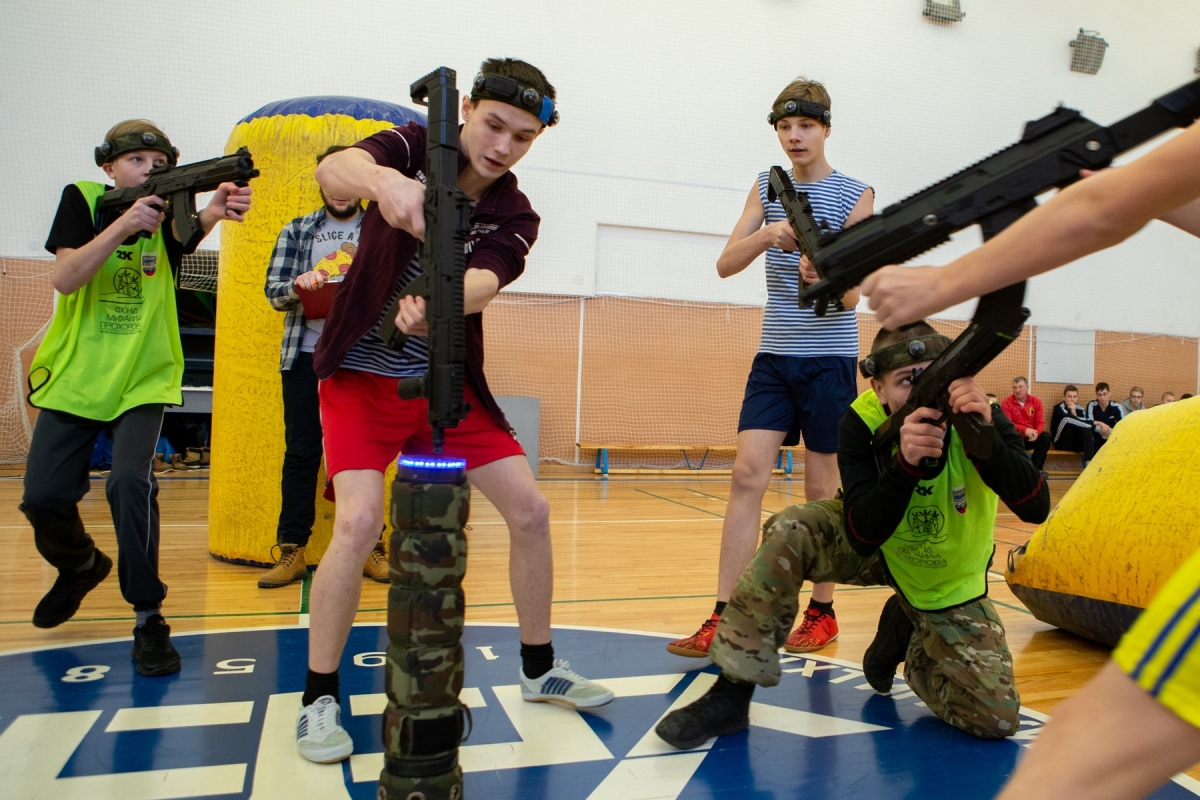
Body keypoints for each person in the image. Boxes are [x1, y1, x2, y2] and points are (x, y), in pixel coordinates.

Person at [856, 113, 1200, 800]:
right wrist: (1125, 183)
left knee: (1077, 743)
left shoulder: (975, 407)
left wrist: (941, 286)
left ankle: (917, 635)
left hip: (959, 583)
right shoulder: (860, 420)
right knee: (1094, 745)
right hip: (888, 556)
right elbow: (1118, 199)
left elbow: (1037, 505)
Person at [293, 58, 611, 764]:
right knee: (357, 523)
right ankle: (318, 697)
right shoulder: (411, 145)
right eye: (494, 125)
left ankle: (539, 669)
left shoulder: (515, 212)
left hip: (447, 381)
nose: (503, 146)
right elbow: (333, 171)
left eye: (522, 137)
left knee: (531, 511)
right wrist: (386, 184)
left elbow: (486, 281)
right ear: (466, 109)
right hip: (361, 381)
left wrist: (440, 297)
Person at [654, 322, 1049, 750]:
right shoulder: (862, 421)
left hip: (948, 579)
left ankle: (907, 636)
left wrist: (985, 439)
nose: (926, 392)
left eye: (935, 376)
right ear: (879, 390)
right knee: (791, 529)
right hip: (876, 549)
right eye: (907, 381)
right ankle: (732, 694)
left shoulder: (982, 412)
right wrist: (905, 466)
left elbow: (1036, 507)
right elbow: (862, 535)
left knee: (995, 719)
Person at [21, 119, 251, 676]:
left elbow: (179, 244)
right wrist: (124, 225)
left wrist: (213, 210)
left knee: (130, 483)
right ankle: (80, 565)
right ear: (110, 166)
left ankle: (149, 617)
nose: (150, 170)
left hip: (143, 375)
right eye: (138, 161)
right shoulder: (84, 199)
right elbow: (66, 278)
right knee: (43, 497)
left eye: (161, 164)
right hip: (78, 372)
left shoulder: (167, 214)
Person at [666, 76, 873, 660]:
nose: (794, 136)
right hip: (774, 358)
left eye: (805, 125)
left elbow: (853, 297)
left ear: (826, 129)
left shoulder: (857, 195)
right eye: (784, 126)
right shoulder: (767, 186)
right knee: (746, 475)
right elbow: (725, 263)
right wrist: (767, 234)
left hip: (829, 360)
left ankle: (822, 613)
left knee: (820, 489)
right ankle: (724, 615)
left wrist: (825, 276)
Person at [260, 145, 387, 588]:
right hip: (304, 356)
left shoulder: (382, 229)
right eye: (333, 181)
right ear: (321, 182)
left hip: (362, 359)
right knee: (301, 453)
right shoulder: (297, 230)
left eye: (349, 181)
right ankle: (292, 550)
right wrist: (299, 286)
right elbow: (274, 292)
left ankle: (372, 546)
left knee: (366, 456)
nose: (340, 190)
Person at [1000, 376, 1050, 475]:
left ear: (1027, 387)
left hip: (1032, 437)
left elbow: (1040, 422)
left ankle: (1037, 469)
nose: (1017, 390)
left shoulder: (1036, 402)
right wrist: (1025, 430)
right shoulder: (1006, 403)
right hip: (1015, 438)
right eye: (1015, 387)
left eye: (1020, 387)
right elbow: (1008, 424)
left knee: (1046, 436)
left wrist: (1036, 432)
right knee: (1006, 438)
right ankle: (1015, 471)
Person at [1049, 385, 1096, 467]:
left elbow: (1082, 425)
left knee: (1086, 429)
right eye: (1069, 396)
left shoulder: (1080, 409)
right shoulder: (1058, 408)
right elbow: (1068, 420)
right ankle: (1095, 427)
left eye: (1074, 397)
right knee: (1067, 419)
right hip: (1061, 441)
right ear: (1064, 397)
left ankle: (1089, 464)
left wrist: (1074, 413)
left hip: (1075, 443)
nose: (1072, 399)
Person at [1086, 382, 1123, 453]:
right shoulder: (1091, 405)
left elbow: (1122, 424)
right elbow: (1089, 422)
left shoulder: (1117, 407)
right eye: (1099, 395)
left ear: (1109, 394)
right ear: (1096, 395)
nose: (1102, 397)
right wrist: (1102, 424)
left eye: (1104, 394)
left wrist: (1109, 430)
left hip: (1111, 434)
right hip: (1097, 435)